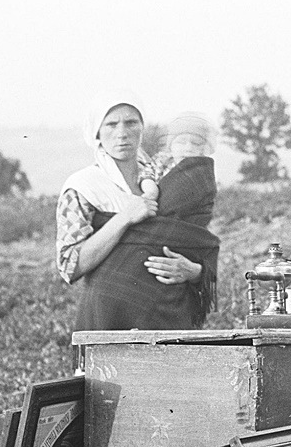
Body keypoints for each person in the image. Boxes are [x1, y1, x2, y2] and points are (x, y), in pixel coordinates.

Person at [56, 95, 220, 331]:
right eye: (111, 124)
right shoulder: (84, 187)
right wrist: (125, 218)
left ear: (142, 128)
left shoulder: (169, 175)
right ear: (96, 132)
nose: (122, 133)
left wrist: (194, 272)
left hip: (171, 314)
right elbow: (70, 266)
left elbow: (194, 241)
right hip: (110, 316)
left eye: (131, 123)